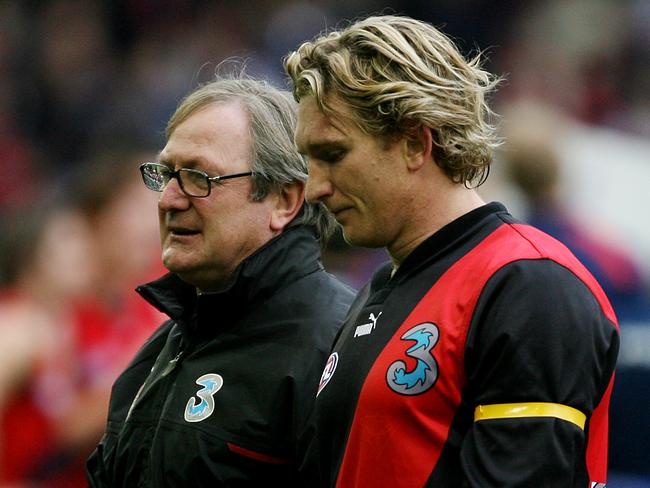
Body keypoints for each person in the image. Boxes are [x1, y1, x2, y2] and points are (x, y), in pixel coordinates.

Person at [284, 15, 620, 487]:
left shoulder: (529, 284)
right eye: (308, 161)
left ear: (414, 143)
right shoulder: (380, 288)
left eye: (333, 155)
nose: (315, 188)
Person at [86, 76, 355, 487]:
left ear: (283, 200)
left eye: (199, 177)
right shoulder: (159, 350)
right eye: (166, 173)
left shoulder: (340, 348)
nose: (168, 200)